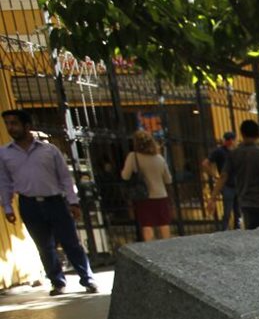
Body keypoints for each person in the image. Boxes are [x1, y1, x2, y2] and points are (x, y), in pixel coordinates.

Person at [0, 108, 99, 295]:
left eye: (14, 123)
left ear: (27, 126)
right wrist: (7, 206)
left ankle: (88, 279)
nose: (10, 128)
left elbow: (65, 178)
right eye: (7, 124)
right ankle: (57, 282)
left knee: (71, 242)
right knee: (44, 246)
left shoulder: (49, 150)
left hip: (55, 202)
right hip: (28, 204)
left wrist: (73, 202)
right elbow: (4, 182)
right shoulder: (4, 154)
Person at [206, 119, 259, 230]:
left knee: (249, 231)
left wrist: (212, 198)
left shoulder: (234, 154)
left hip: (244, 201)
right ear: (258, 135)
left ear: (242, 134)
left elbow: (223, 177)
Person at [121, 129, 173, 241]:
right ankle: (169, 246)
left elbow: (125, 175)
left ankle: (150, 249)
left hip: (144, 196)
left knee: (147, 224)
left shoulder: (133, 157)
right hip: (161, 195)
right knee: (163, 223)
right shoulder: (159, 158)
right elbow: (168, 179)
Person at [203, 131, 239, 230]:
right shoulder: (220, 151)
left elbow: (205, 164)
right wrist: (215, 176)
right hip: (228, 184)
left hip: (233, 184)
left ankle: (232, 229)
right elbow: (205, 163)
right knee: (229, 211)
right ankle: (225, 229)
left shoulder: (230, 151)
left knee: (236, 211)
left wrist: (214, 176)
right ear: (232, 141)